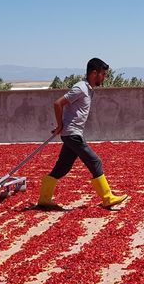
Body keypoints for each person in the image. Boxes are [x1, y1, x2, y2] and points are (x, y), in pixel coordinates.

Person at [37, 58, 128, 209]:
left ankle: (44, 199)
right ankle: (107, 197)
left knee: (63, 167)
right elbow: (58, 103)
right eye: (103, 74)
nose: (104, 77)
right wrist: (60, 124)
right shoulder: (80, 88)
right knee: (95, 161)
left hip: (72, 133)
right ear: (94, 73)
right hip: (72, 134)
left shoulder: (89, 89)